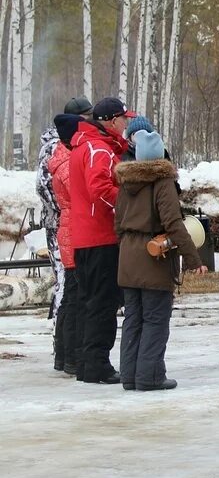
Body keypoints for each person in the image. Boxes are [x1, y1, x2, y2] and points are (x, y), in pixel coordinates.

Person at [114, 130, 206, 391]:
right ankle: (150, 376)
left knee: (133, 318)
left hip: (129, 255)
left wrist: (127, 246)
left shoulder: (125, 181)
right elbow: (174, 223)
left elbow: (118, 224)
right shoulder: (162, 181)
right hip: (153, 256)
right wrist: (192, 258)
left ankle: (130, 376)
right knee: (155, 318)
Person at [67, 97, 132, 384]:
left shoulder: (84, 146)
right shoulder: (98, 148)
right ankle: (96, 364)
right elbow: (100, 189)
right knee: (102, 303)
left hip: (85, 237)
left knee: (89, 302)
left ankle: (86, 361)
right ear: (111, 120)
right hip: (100, 236)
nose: (126, 124)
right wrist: (129, 204)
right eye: (124, 119)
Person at [48, 102, 90, 376]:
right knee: (75, 296)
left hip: (69, 227)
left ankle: (64, 355)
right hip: (75, 228)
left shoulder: (61, 157)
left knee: (70, 296)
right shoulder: (67, 161)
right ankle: (72, 356)